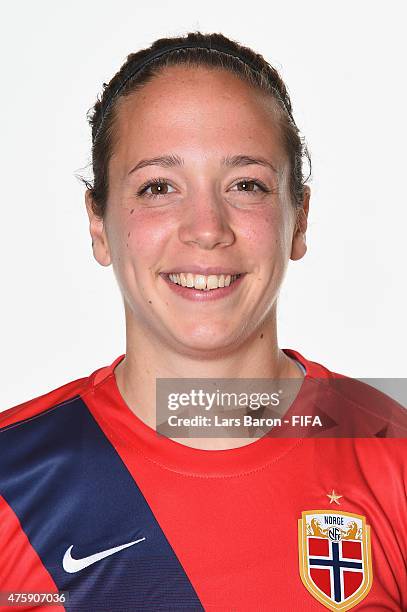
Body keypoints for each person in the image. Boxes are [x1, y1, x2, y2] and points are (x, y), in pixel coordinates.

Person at [0, 31, 406, 612]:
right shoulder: (11, 481)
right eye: (158, 187)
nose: (208, 227)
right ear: (98, 224)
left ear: (299, 218)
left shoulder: (390, 453)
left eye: (246, 185)